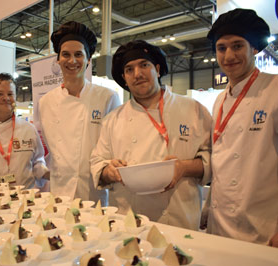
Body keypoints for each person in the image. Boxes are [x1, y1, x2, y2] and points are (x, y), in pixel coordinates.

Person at [90, 40, 212, 229]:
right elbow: (98, 162)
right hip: (129, 219)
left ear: (157, 68)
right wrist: (110, 171)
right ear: (124, 77)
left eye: (144, 65)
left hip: (179, 217)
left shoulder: (193, 110)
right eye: (129, 69)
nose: (137, 74)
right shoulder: (112, 119)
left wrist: (183, 167)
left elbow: (212, 159)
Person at [206, 8, 278, 247]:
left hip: (263, 227)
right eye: (222, 48)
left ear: (254, 48)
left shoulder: (275, 89)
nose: (229, 56)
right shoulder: (219, 100)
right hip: (220, 223)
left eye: (237, 46)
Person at [38, 21, 121, 202]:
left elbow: (115, 147)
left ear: (88, 59)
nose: (72, 61)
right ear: (58, 59)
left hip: (95, 191)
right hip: (59, 190)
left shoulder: (107, 97)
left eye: (78, 55)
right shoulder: (45, 102)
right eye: (65, 55)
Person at [0, 73, 49, 189]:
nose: (6, 98)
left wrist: (49, 174)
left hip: (26, 200)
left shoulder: (28, 129)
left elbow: (38, 162)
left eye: (10, 94)